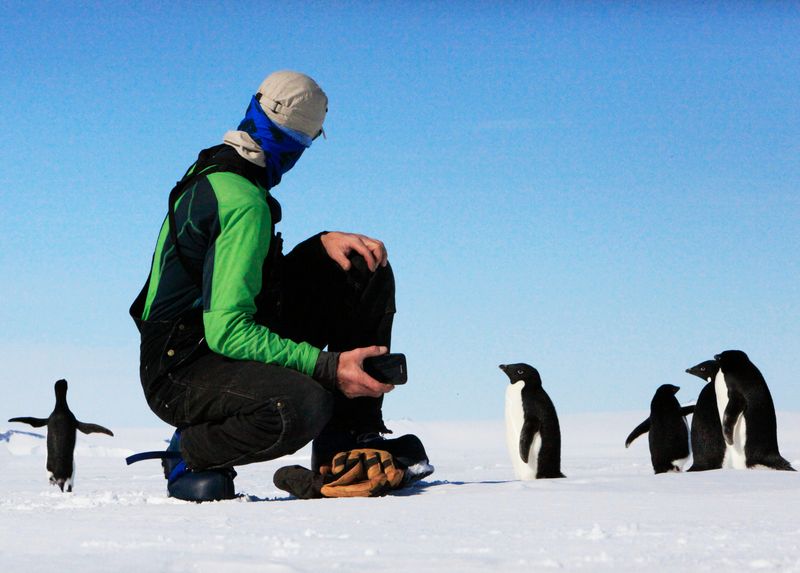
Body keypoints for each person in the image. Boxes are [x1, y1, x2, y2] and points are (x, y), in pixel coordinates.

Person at [129, 71, 431, 501]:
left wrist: (318, 247)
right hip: (182, 371)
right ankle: (190, 451)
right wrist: (329, 366)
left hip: (192, 342)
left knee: (360, 266)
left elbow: (234, 284)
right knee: (300, 406)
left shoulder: (218, 168)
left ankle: (347, 442)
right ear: (299, 145)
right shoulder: (244, 203)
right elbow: (228, 329)